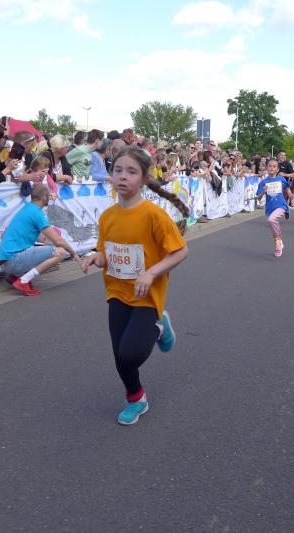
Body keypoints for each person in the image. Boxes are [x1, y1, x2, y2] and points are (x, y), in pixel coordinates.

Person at [81, 146, 189, 425]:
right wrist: (95, 258)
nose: (123, 176)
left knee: (131, 353)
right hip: (117, 292)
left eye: (131, 172)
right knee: (120, 356)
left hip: (146, 294)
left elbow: (180, 251)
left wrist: (150, 273)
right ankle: (136, 398)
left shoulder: (153, 215)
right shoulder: (107, 217)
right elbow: (106, 254)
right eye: (118, 170)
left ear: (143, 179)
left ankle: (158, 327)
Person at [0, 184, 80, 295]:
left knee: (51, 249)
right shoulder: (37, 213)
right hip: (13, 260)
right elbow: (58, 241)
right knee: (60, 252)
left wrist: (53, 246)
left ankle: (15, 276)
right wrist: (73, 253)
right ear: (44, 197)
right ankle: (23, 281)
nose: (50, 197)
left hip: (5, 261)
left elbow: (43, 239)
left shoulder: (27, 209)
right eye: (49, 195)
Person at [256, 159, 293, 256]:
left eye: (274, 166)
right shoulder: (263, 182)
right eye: (270, 166)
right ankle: (278, 243)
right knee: (273, 226)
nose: (271, 168)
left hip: (281, 205)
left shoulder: (281, 179)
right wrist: (263, 192)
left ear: (277, 169)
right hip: (270, 207)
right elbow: (258, 198)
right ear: (266, 168)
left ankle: (279, 241)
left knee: (271, 220)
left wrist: (289, 193)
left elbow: (287, 187)